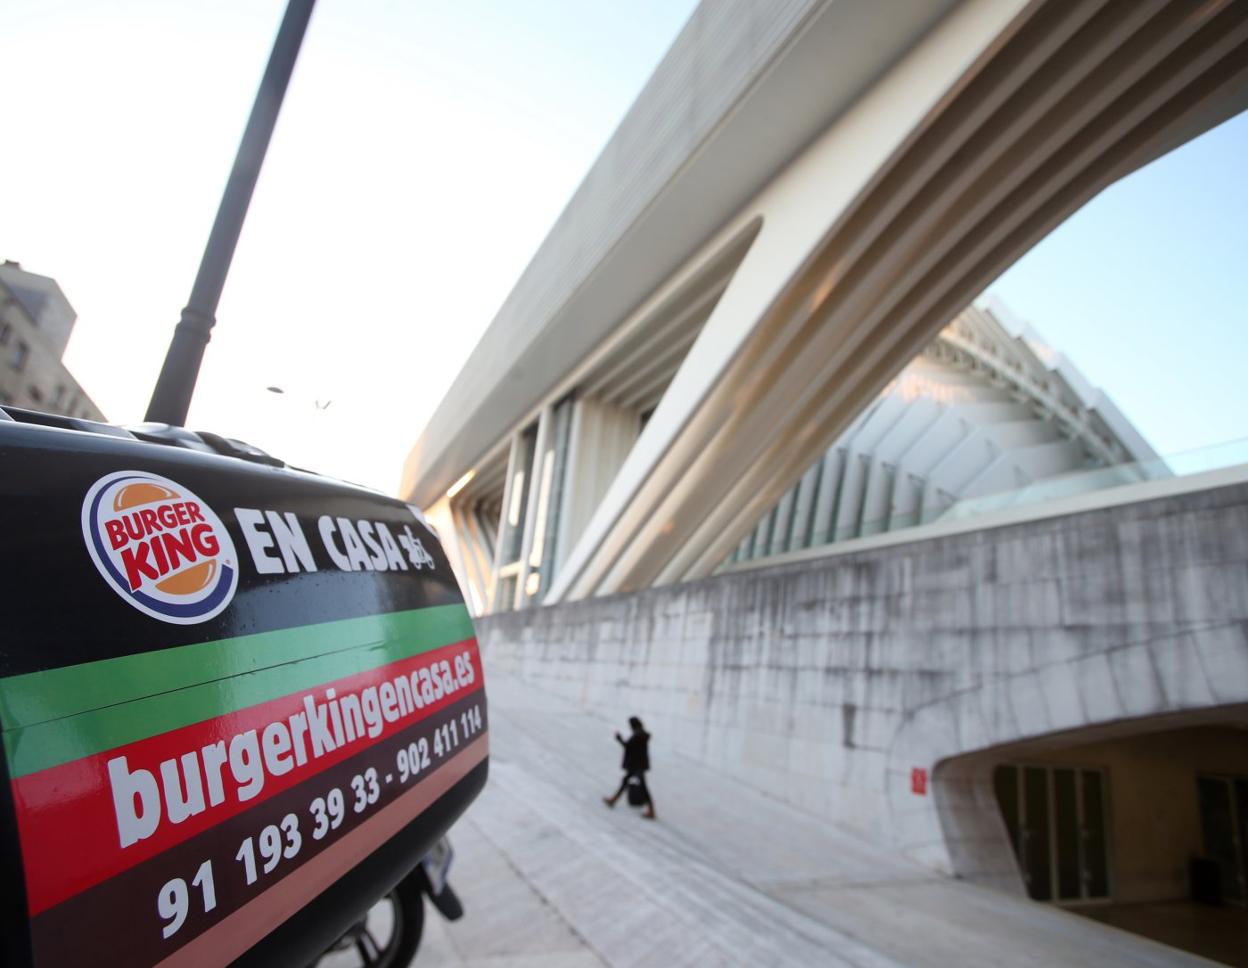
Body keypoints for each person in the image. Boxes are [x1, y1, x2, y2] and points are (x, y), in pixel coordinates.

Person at [603, 716, 655, 819]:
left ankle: (651, 811)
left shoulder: (637, 735)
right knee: (625, 781)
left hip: (637, 766)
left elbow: (628, 747)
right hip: (638, 765)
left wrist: (619, 739)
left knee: (643, 788)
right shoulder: (641, 734)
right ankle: (613, 800)